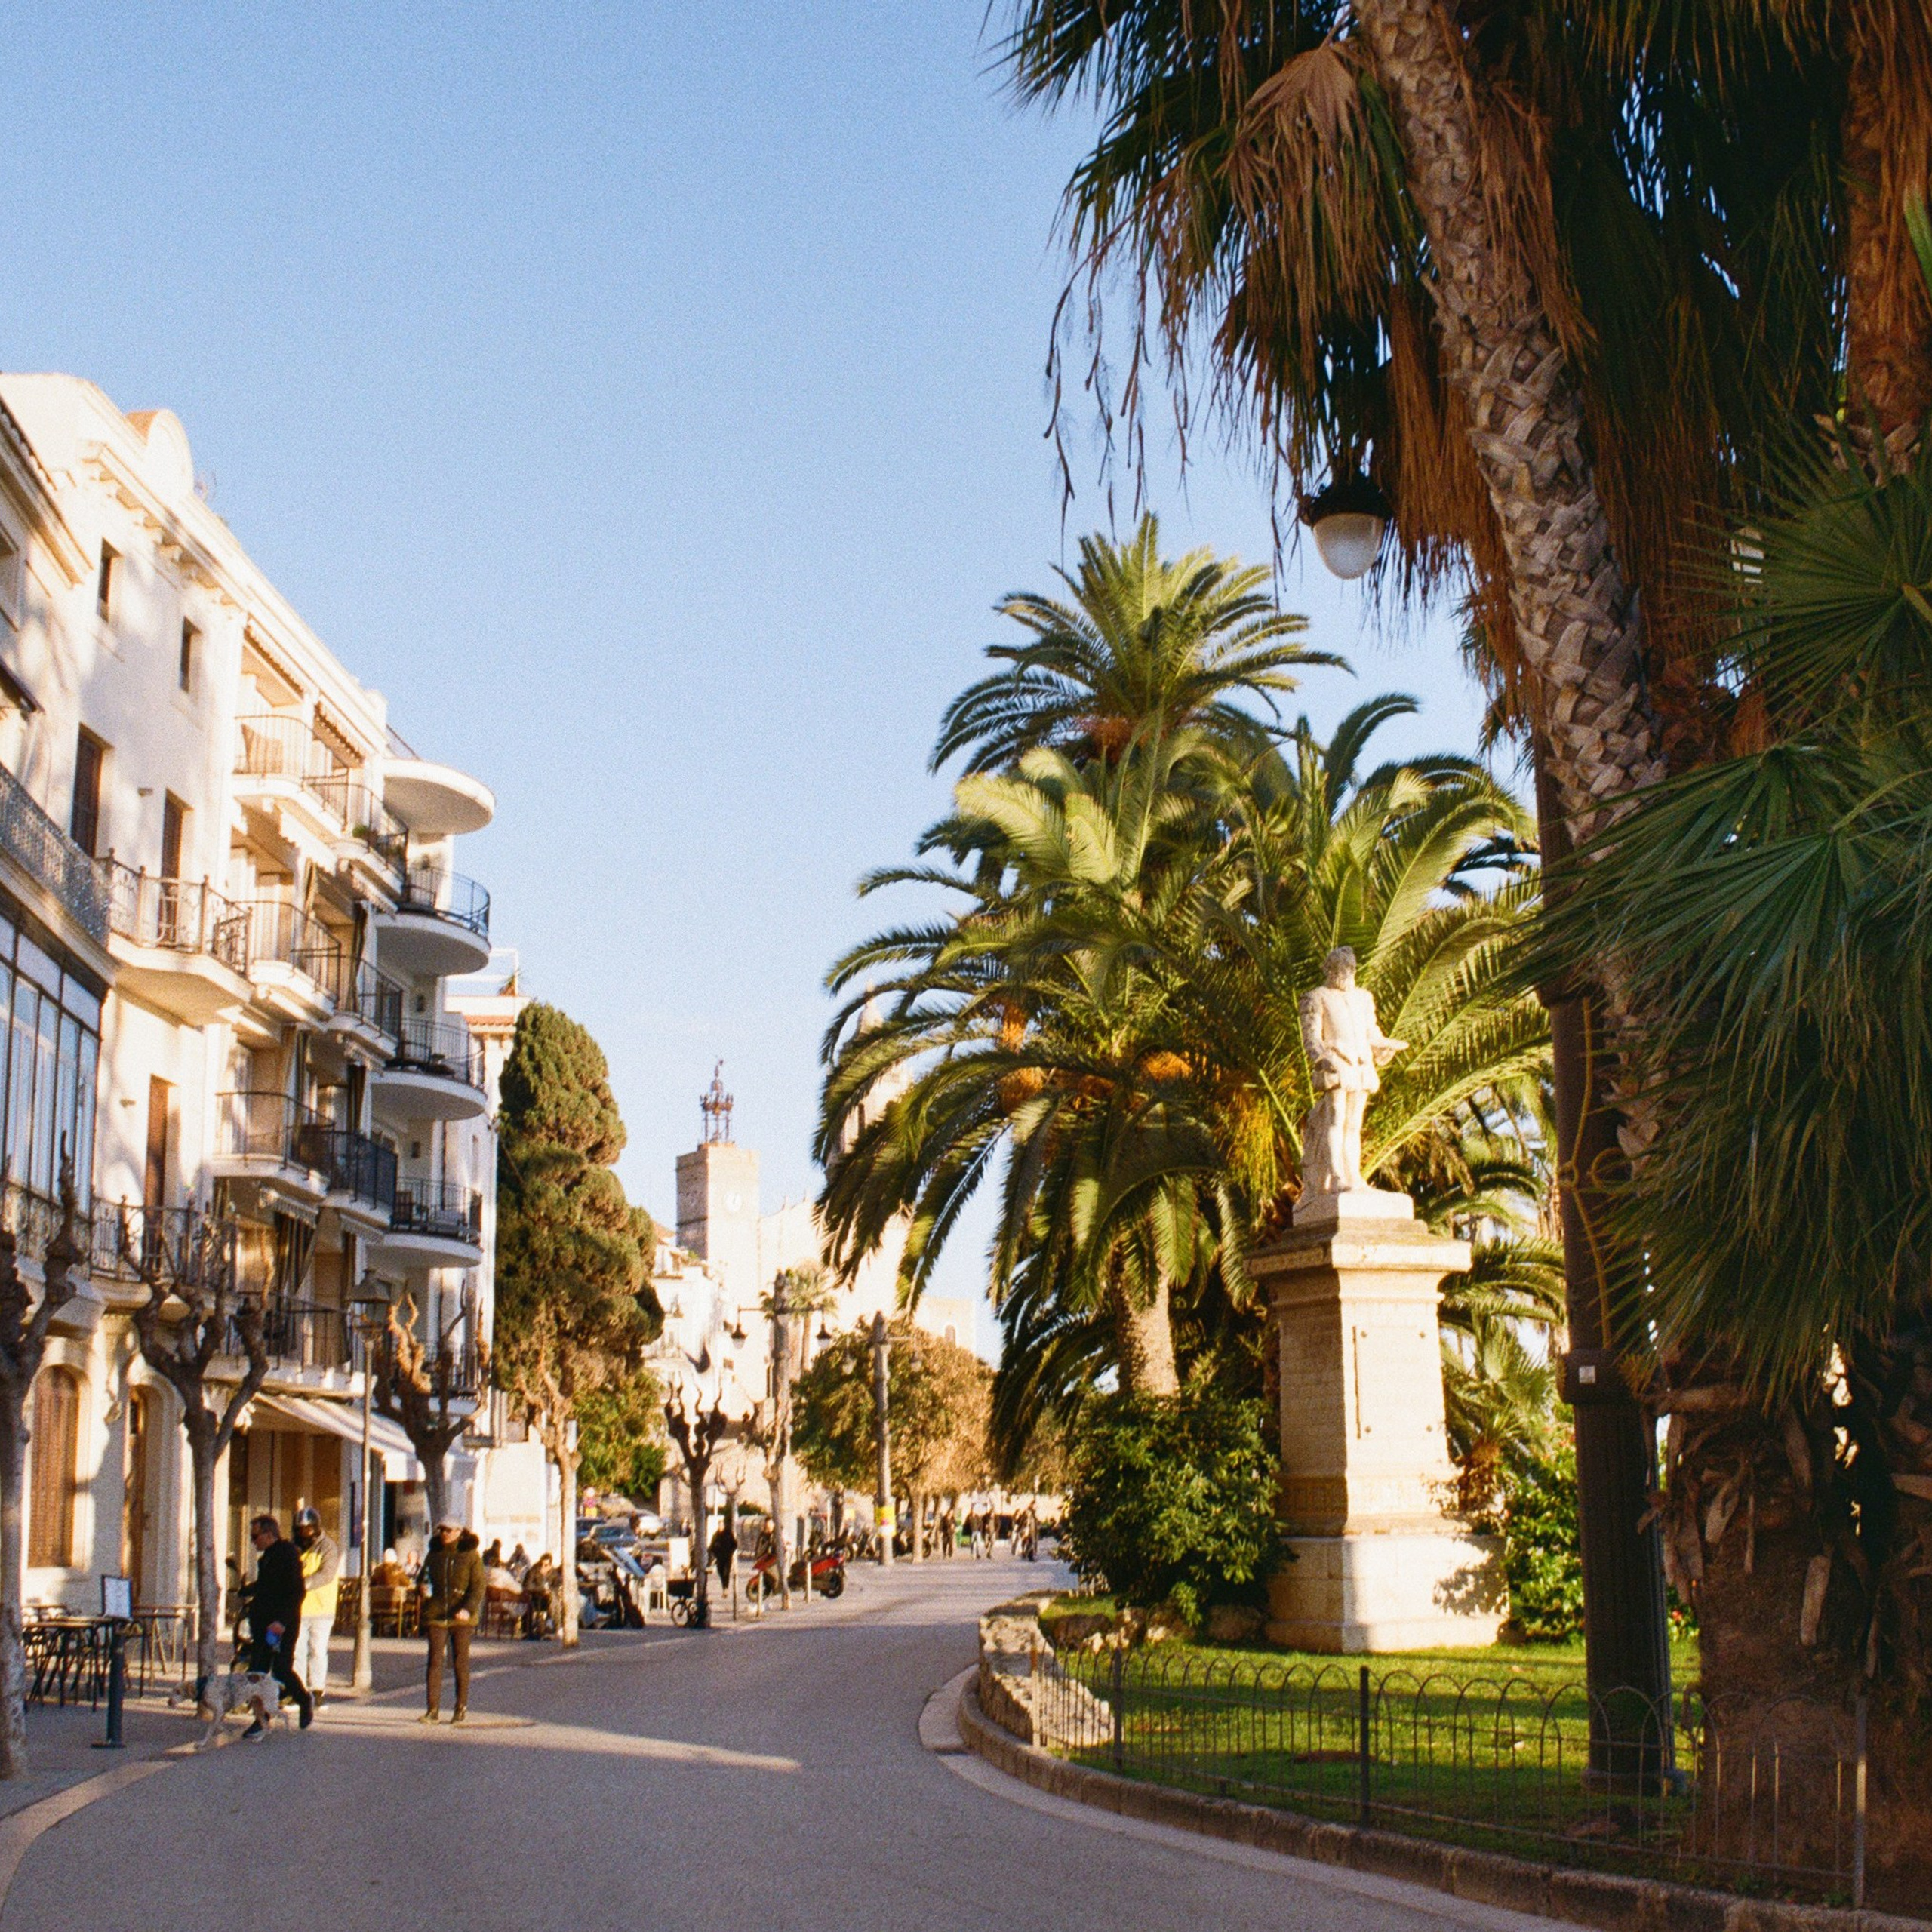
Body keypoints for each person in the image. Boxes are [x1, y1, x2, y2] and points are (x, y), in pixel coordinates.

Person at [241, 1514, 314, 1740]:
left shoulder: (288, 1555)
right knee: (258, 1672)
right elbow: (267, 1586)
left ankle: (303, 1699)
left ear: (269, 1534)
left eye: (255, 1536)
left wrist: (281, 1621)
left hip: (282, 1625)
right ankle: (261, 1720)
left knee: (281, 1670)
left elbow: (296, 1592)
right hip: (264, 1624)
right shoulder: (267, 1558)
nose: (253, 1541)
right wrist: (247, 1590)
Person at [419, 1521, 485, 1724]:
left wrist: (468, 1608)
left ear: (459, 1532)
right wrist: (421, 1588)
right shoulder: (434, 1553)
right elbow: (423, 1578)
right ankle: (432, 1710)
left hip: (461, 1616)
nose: (444, 1534)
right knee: (435, 1661)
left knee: (460, 1661)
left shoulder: (471, 1554)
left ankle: (460, 1707)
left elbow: (478, 1586)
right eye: (442, 1530)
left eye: (449, 1530)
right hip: (437, 1613)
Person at [292, 1506, 341, 1709]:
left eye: (309, 1529)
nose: (305, 1534)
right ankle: (298, 1692)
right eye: (301, 1529)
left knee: (318, 1650)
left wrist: (302, 1583)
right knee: (297, 1651)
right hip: (298, 1608)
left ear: (316, 1528)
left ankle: (317, 1690)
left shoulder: (327, 1547)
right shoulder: (294, 1547)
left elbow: (327, 1574)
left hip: (322, 1608)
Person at [522, 1553, 557, 1638]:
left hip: (548, 1599)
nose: (543, 1567)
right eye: (541, 1564)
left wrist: (550, 1591)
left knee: (553, 1596)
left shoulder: (553, 1573)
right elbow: (527, 1586)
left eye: (546, 1565)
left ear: (550, 1565)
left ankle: (551, 1621)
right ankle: (551, 1622)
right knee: (552, 1598)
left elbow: (557, 1585)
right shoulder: (533, 1571)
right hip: (535, 1598)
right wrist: (542, 1589)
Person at [709, 1520, 736, 1593]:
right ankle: (724, 1587)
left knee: (726, 1572)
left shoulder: (728, 1534)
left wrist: (731, 1552)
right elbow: (712, 1546)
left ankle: (726, 1588)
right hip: (719, 1557)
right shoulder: (716, 1535)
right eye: (719, 1525)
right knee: (720, 1571)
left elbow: (735, 1544)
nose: (720, 1527)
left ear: (724, 1526)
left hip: (727, 1557)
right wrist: (714, 1553)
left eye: (722, 1525)